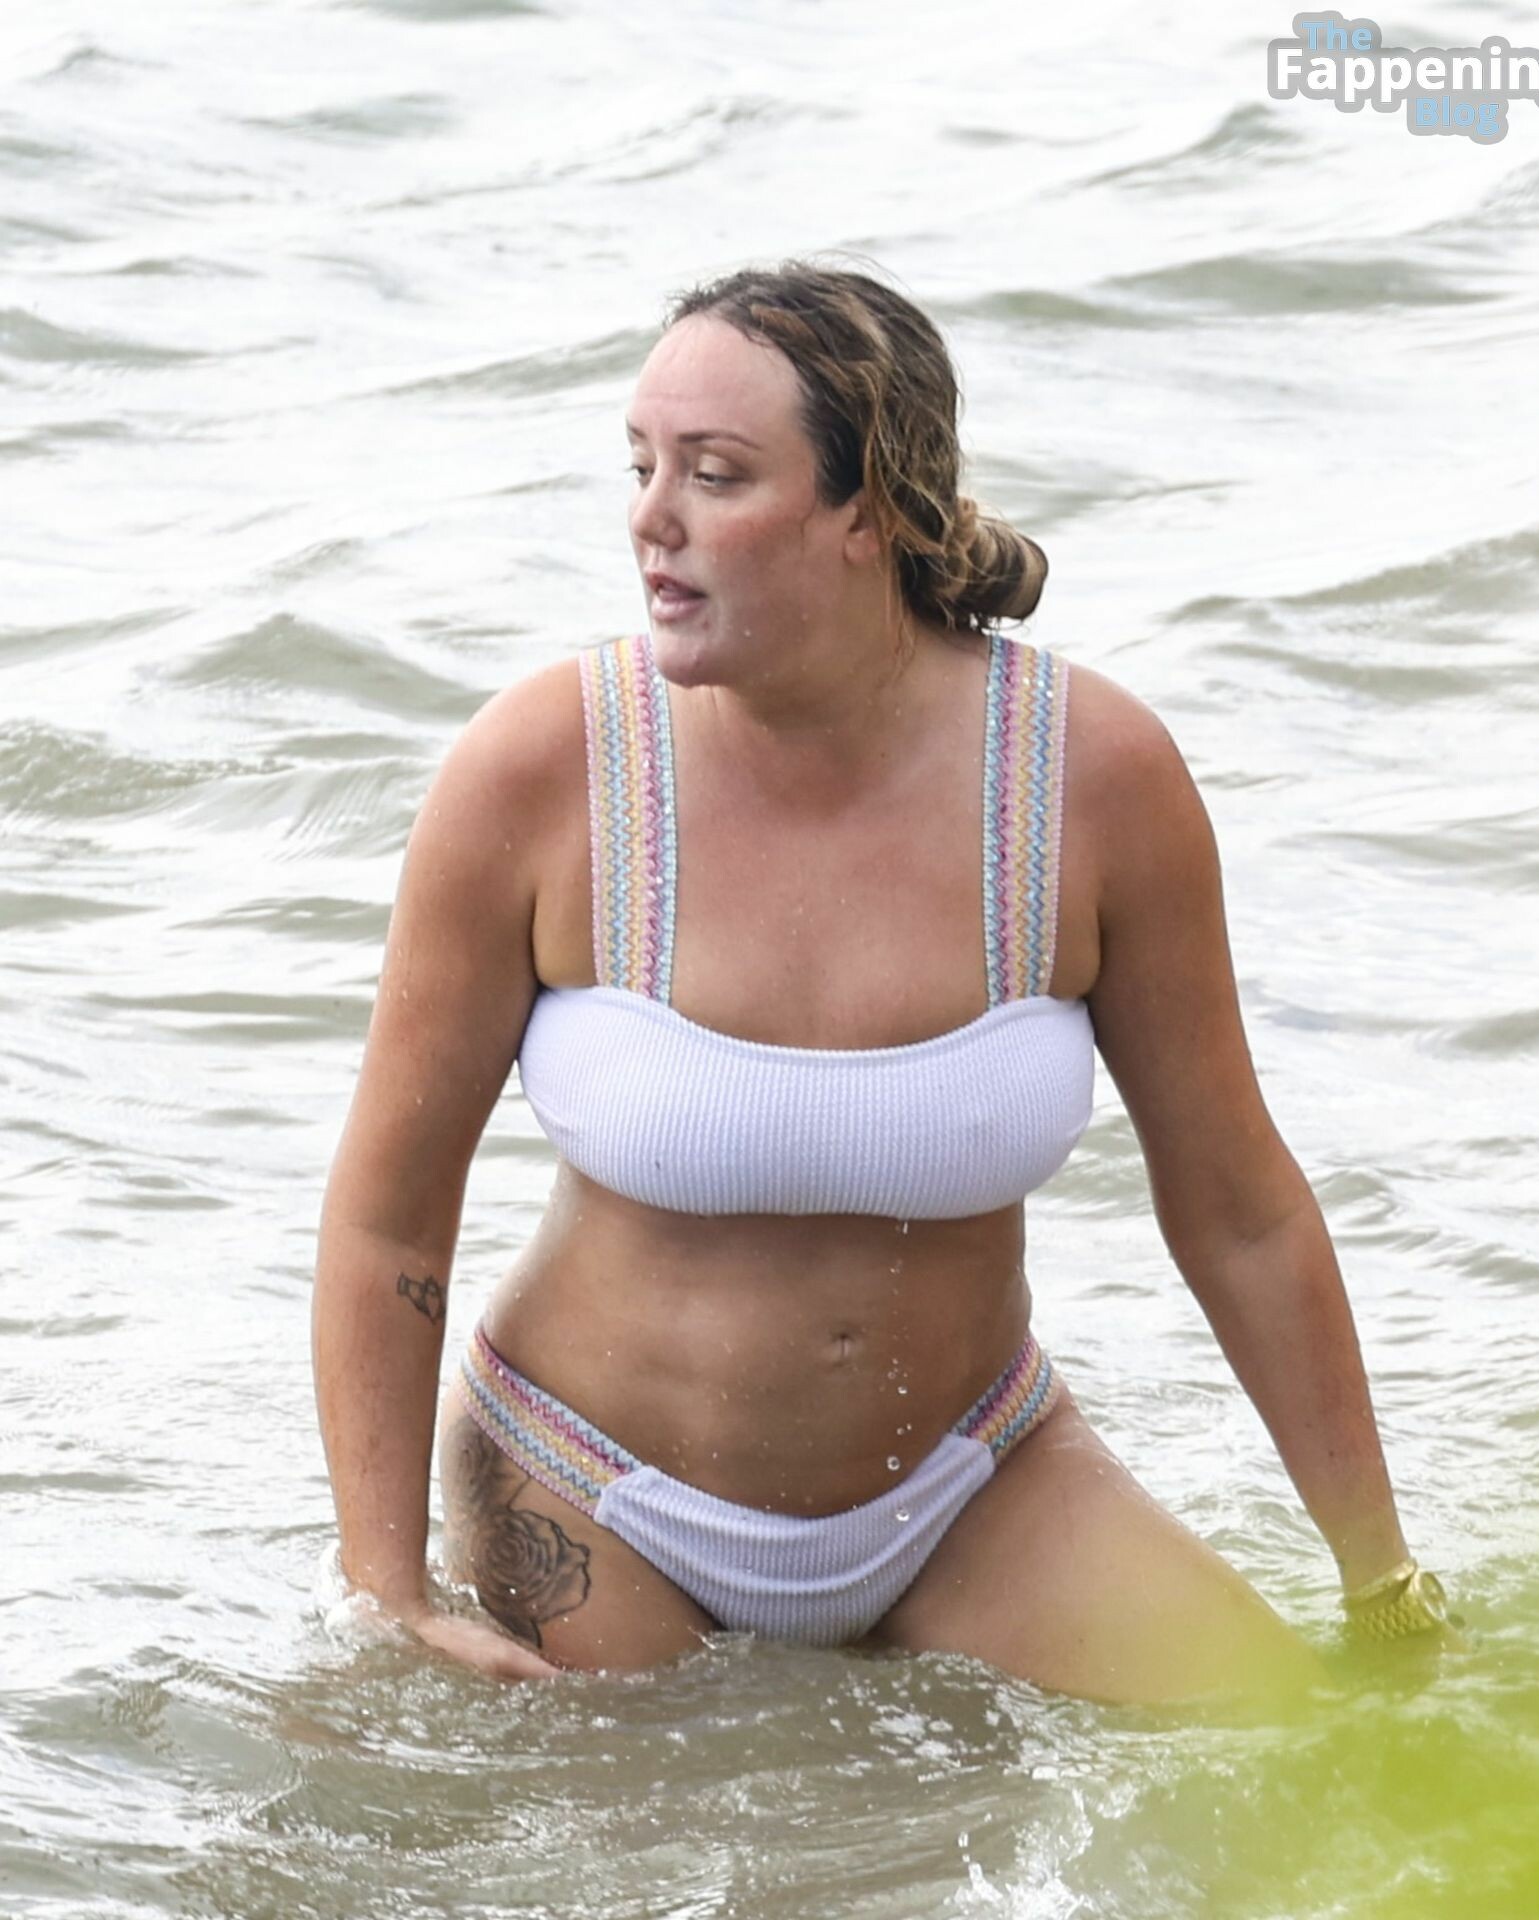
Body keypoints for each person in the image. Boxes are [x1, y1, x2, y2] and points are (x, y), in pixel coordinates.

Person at [311, 258, 1462, 1705]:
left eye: (715, 474)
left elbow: (1239, 1209)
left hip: (974, 1485)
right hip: (588, 1490)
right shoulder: (544, 771)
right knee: (719, 1833)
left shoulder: (1089, 781)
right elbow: (388, 1216)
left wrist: (1382, 1580)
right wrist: (388, 1592)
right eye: (641, 465)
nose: (651, 518)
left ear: (870, 513)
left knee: (1324, 1763)